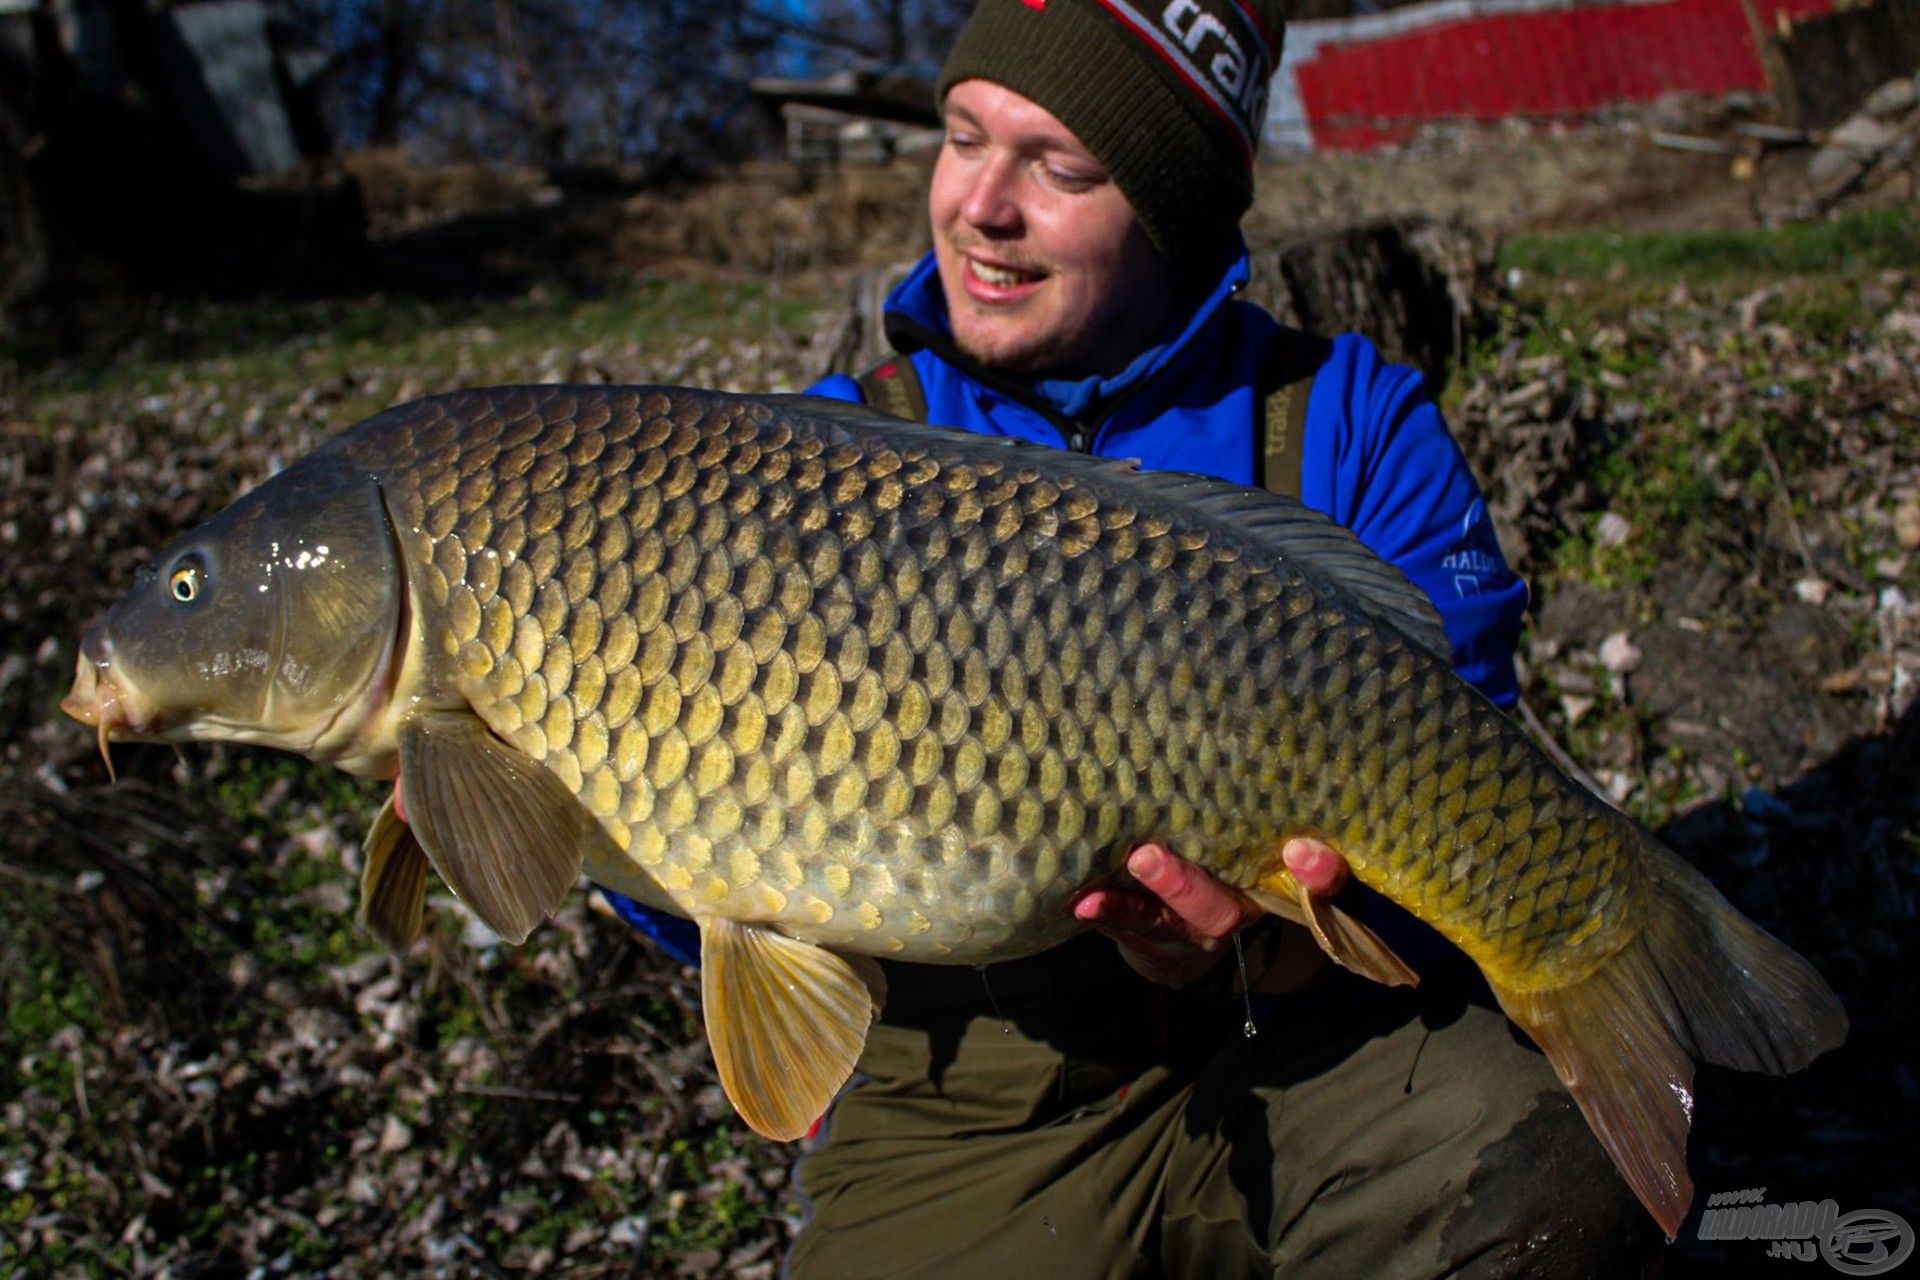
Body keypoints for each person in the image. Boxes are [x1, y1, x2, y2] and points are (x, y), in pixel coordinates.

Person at [601, 1, 1666, 1274]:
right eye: (961, 136)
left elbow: (1466, 784)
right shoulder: (809, 455)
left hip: (1327, 1033)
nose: (982, 205)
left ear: (1167, 203)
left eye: (1062, 167)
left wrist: (1273, 940)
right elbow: (717, 891)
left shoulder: (1349, 422)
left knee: (1548, 1189)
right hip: (984, 1100)